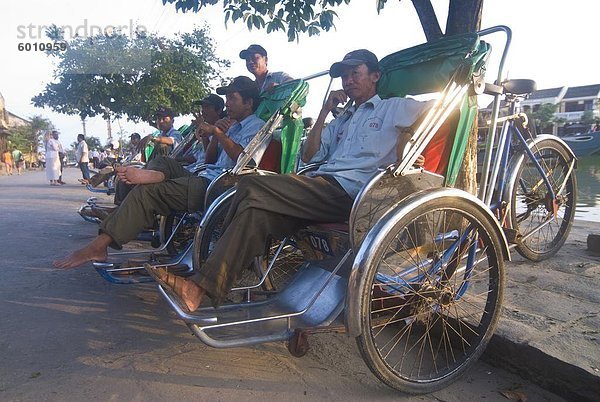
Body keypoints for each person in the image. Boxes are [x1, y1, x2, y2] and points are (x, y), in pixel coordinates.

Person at [142, 49, 433, 312]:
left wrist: (409, 144)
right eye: (344, 76)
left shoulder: (392, 108)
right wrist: (324, 112)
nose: (348, 81)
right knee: (255, 213)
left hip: (354, 193)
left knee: (248, 184)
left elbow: (440, 109)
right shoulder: (343, 118)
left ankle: (217, 268)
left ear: (375, 76)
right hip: (320, 185)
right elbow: (309, 154)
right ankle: (199, 289)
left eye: (354, 74)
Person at [54, 77, 266, 269]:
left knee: (147, 192)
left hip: (218, 185)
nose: (227, 104)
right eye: (227, 99)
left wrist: (218, 133)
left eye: (232, 98)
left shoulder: (257, 126)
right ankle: (156, 175)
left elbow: (243, 159)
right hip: (203, 174)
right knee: (163, 160)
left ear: (248, 103)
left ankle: (98, 246)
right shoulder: (232, 126)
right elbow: (210, 159)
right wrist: (211, 135)